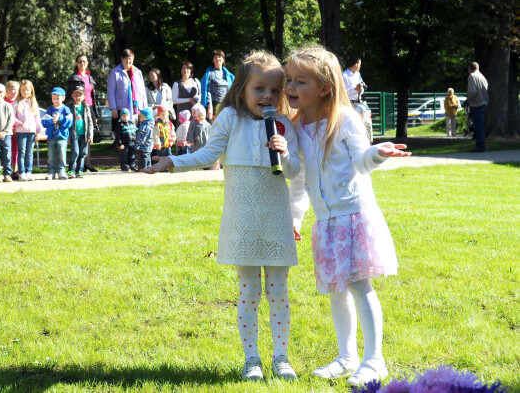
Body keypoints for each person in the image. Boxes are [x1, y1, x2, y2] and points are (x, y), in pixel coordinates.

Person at [143, 51, 302, 382]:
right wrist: (172, 161)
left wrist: (284, 151)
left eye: (275, 90)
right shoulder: (230, 118)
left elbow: (295, 170)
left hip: (275, 218)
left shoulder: (285, 124)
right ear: (242, 87)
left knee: (278, 290)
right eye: (259, 89)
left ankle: (282, 357)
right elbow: (207, 154)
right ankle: (252, 359)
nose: (268, 96)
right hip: (242, 220)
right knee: (248, 290)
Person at [285, 46, 409, 387]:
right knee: (336, 291)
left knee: (358, 286)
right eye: (289, 80)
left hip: (353, 218)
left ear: (325, 87)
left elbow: (361, 161)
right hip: (325, 223)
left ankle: (374, 360)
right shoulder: (296, 127)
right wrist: (296, 217)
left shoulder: (345, 119)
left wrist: (378, 153)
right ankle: (346, 356)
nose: (290, 87)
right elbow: (297, 180)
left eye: (300, 81)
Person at [68, 54, 99, 171]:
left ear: (87, 63)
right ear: (76, 63)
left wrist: (95, 113)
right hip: (79, 107)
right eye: (80, 62)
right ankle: (76, 165)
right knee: (78, 136)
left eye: (84, 62)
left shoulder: (89, 77)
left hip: (89, 107)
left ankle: (87, 163)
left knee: (88, 136)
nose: (82, 64)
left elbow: (93, 96)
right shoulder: (74, 77)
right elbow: (71, 95)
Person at [107, 49, 146, 131]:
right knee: (122, 131)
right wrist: (113, 108)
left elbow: (142, 91)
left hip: (136, 107)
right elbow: (111, 91)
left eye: (130, 58)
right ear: (122, 59)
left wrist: (144, 107)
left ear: (133, 59)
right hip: (121, 107)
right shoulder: (115, 72)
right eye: (126, 58)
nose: (128, 61)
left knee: (136, 130)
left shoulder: (138, 72)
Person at [13, 80, 42, 182]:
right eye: (23, 90)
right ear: (20, 91)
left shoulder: (33, 103)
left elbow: (37, 118)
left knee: (29, 153)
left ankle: (29, 171)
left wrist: (38, 131)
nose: (26, 92)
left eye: (27, 90)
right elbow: (12, 116)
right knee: (22, 152)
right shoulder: (17, 103)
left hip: (32, 131)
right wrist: (18, 122)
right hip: (21, 131)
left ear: (31, 91)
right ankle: (22, 172)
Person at [41, 87, 72, 180]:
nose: (55, 100)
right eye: (53, 98)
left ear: (63, 98)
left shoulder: (66, 110)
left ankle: (61, 171)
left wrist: (60, 118)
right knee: (51, 155)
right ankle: (51, 172)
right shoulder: (49, 109)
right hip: (51, 136)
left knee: (62, 154)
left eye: (58, 98)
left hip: (62, 136)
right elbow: (44, 122)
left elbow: (69, 122)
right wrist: (51, 120)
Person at [200, 50, 235, 121]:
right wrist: (210, 107)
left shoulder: (228, 75)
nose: (217, 59)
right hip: (214, 105)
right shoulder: (210, 74)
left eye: (219, 57)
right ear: (212, 60)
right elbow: (207, 91)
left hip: (226, 105)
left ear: (223, 59)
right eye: (215, 57)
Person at [67, 84, 94, 179]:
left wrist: (90, 135)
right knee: (75, 152)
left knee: (82, 153)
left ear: (83, 97)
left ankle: (80, 170)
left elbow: (90, 122)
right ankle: (71, 170)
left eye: (80, 95)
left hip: (84, 134)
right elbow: (67, 122)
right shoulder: (69, 107)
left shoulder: (86, 107)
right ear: (72, 96)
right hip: (74, 134)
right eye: (75, 95)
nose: (77, 97)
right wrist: (68, 136)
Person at [466, 62, 488, 152]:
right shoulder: (482, 76)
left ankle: (480, 146)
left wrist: (469, 100)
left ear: (470, 68)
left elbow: (472, 92)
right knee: (480, 125)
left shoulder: (472, 76)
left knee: (477, 126)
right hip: (484, 102)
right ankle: (481, 144)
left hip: (476, 103)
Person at [5, 80, 20, 176]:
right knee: (7, 151)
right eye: (13, 89)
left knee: (16, 150)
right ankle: (7, 170)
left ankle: (15, 170)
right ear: (7, 90)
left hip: (17, 129)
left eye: (17, 90)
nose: (15, 92)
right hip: (6, 130)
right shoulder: (4, 102)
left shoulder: (19, 102)